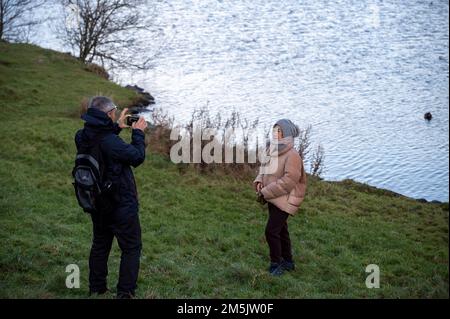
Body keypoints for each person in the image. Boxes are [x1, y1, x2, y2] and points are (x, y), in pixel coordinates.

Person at [75, 96, 147, 298]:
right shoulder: (110, 142)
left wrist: (117, 127)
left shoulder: (82, 136)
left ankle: (97, 289)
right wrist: (138, 133)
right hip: (120, 204)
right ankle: (125, 293)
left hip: (96, 201)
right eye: (114, 111)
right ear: (108, 114)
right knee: (131, 248)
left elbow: (101, 142)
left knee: (100, 244)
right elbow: (136, 157)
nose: (116, 113)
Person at [253, 119, 307, 276]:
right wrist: (259, 181)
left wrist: (267, 191)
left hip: (285, 199)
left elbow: (289, 182)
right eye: (274, 130)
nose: (275, 133)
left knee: (271, 231)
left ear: (287, 134)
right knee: (281, 230)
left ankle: (276, 264)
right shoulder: (272, 149)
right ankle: (288, 262)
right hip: (272, 197)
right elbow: (264, 169)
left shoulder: (293, 156)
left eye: (279, 131)